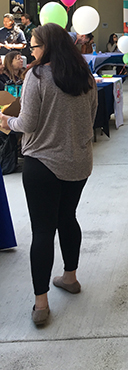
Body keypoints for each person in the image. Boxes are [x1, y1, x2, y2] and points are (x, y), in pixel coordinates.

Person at [0, 23, 97, 325]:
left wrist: (5, 121)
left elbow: (27, 122)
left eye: (35, 46)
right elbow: (91, 117)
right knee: (67, 218)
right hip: (78, 163)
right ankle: (70, 277)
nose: (31, 50)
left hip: (42, 164)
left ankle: (41, 304)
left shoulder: (37, 75)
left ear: (49, 47)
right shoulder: (86, 76)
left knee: (43, 231)